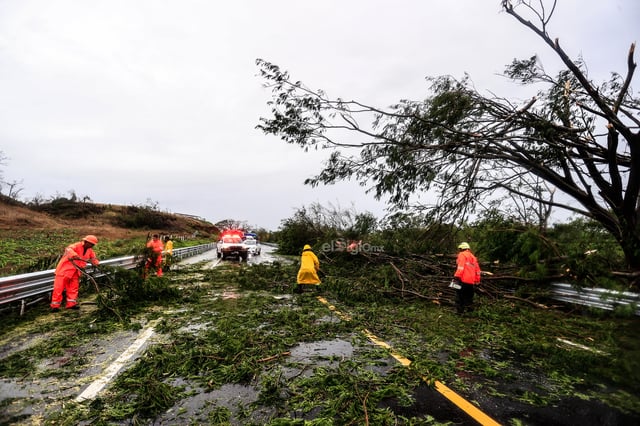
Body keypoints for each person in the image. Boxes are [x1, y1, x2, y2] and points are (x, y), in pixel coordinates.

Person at [50, 235, 100, 311]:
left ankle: (71, 304)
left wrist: (97, 264)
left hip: (76, 272)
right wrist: (74, 255)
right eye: (91, 244)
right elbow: (68, 249)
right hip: (64, 271)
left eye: (93, 245)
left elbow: (94, 259)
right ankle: (55, 306)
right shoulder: (76, 246)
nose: (92, 246)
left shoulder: (90, 251)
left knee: (73, 289)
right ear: (86, 242)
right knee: (58, 289)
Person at [453, 242, 481, 314]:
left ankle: (459, 311)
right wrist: (477, 280)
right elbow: (477, 270)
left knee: (459, 295)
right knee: (469, 296)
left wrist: (456, 276)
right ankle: (470, 311)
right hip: (471, 281)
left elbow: (460, 267)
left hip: (462, 279)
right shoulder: (473, 257)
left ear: (461, 249)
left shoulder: (462, 255)